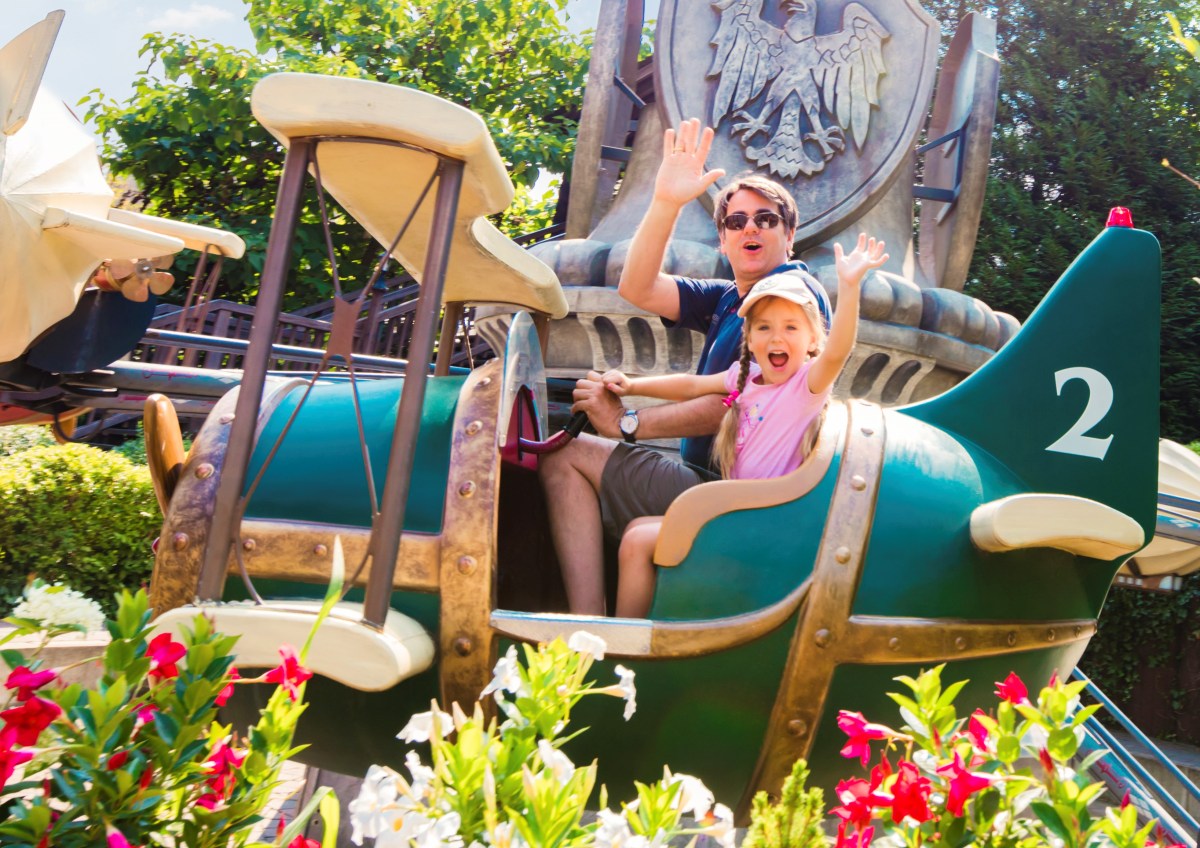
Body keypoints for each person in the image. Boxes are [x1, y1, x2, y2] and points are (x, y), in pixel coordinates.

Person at [539, 118, 831, 615]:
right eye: (735, 222)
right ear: (722, 240)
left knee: (562, 457)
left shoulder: (789, 301)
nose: (750, 228)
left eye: (766, 218)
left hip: (733, 497)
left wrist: (629, 422)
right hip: (707, 478)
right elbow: (636, 287)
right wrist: (667, 202)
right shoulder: (729, 299)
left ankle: (584, 631)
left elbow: (728, 403)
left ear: (790, 233)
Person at [601, 234, 888, 617]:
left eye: (791, 327)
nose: (777, 337)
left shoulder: (807, 386)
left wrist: (850, 287)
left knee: (639, 542)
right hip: (736, 511)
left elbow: (838, 350)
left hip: (766, 521)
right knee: (637, 531)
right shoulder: (745, 375)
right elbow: (690, 385)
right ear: (749, 338)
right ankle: (633, 636)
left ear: (810, 340)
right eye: (764, 327)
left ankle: (627, 650)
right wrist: (633, 385)